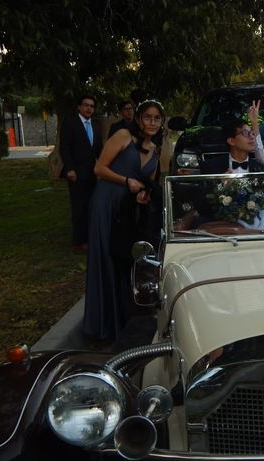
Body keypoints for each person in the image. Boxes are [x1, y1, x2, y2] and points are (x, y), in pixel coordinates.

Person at [83, 99, 164, 342]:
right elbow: (99, 169)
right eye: (148, 117)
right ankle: (102, 325)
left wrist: (142, 193)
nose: (152, 122)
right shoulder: (122, 136)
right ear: (138, 119)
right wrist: (127, 182)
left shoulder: (155, 150)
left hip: (128, 210)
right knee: (104, 259)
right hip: (106, 203)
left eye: (157, 118)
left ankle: (122, 321)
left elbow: (147, 181)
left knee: (123, 260)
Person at [60, 94, 103, 254]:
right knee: (79, 208)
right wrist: (70, 169)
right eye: (86, 105)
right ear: (79, 107)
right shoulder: (70, 124)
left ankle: (89, 238)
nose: (89, 108)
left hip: (92, 174)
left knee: (91, 207)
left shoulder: (96, 126)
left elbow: (99, 150)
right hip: (76, 174)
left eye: (92, 106)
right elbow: (65, 148)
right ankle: (78, 242)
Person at [200, 118, 264, 174]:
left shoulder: (262, 169)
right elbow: (206, 191)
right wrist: (220, 186)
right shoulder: (210, 167)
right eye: (245, 133)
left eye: (251, 133)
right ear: (231, 141)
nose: (252, 137)